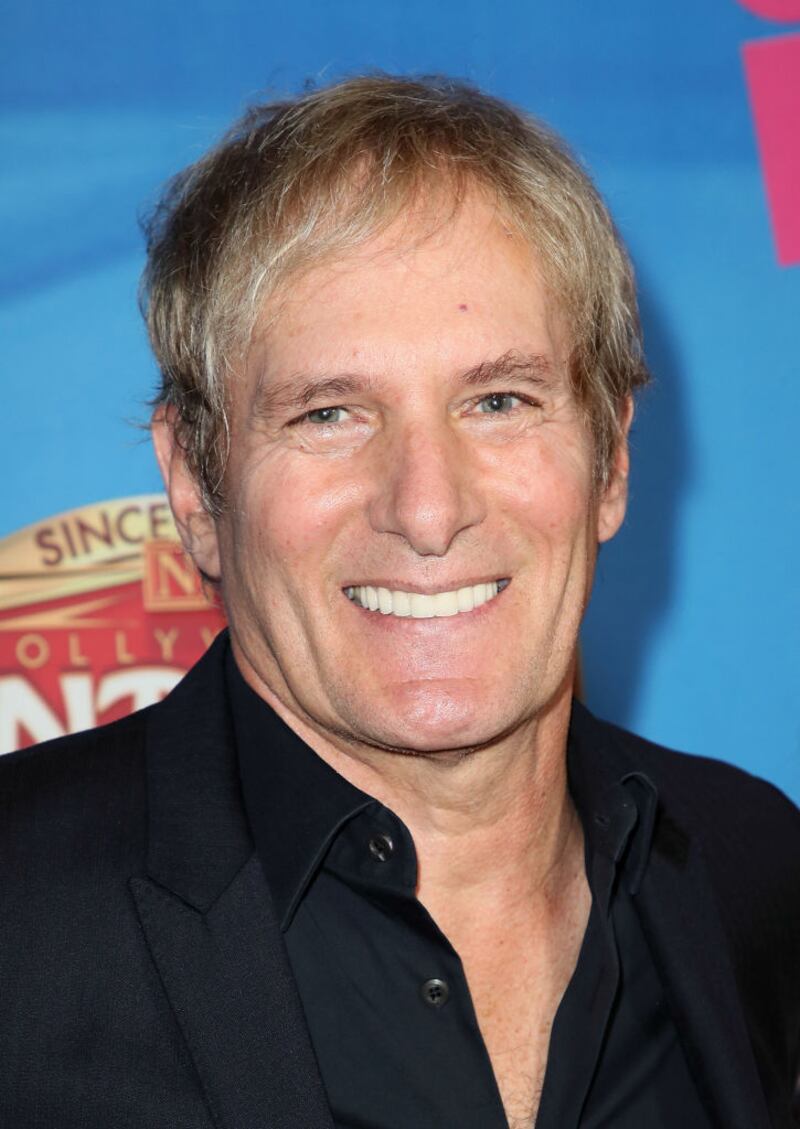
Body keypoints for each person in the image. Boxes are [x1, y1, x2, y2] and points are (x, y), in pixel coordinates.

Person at [0, 75, 798, 1129]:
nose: (426, 508)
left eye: (498, 400)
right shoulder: (18, 918)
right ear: (195, 485)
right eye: (329, 413)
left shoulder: (754, 869)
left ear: (607, 457)